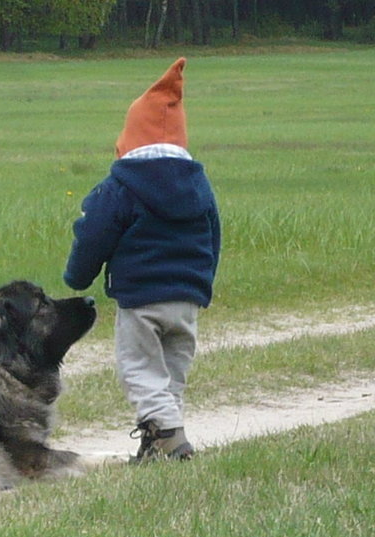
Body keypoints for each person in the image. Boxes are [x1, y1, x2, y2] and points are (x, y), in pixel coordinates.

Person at [63, 58, 221, 462]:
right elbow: (213, 234)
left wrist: (77, 277)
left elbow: (93, 235)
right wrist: (203, 281)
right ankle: (159, 444)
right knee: (171, 374)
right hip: (186, 299)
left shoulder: (119, 187)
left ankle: (168, 436)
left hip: (141, 300)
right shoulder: (199, 185)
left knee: (139, 370)